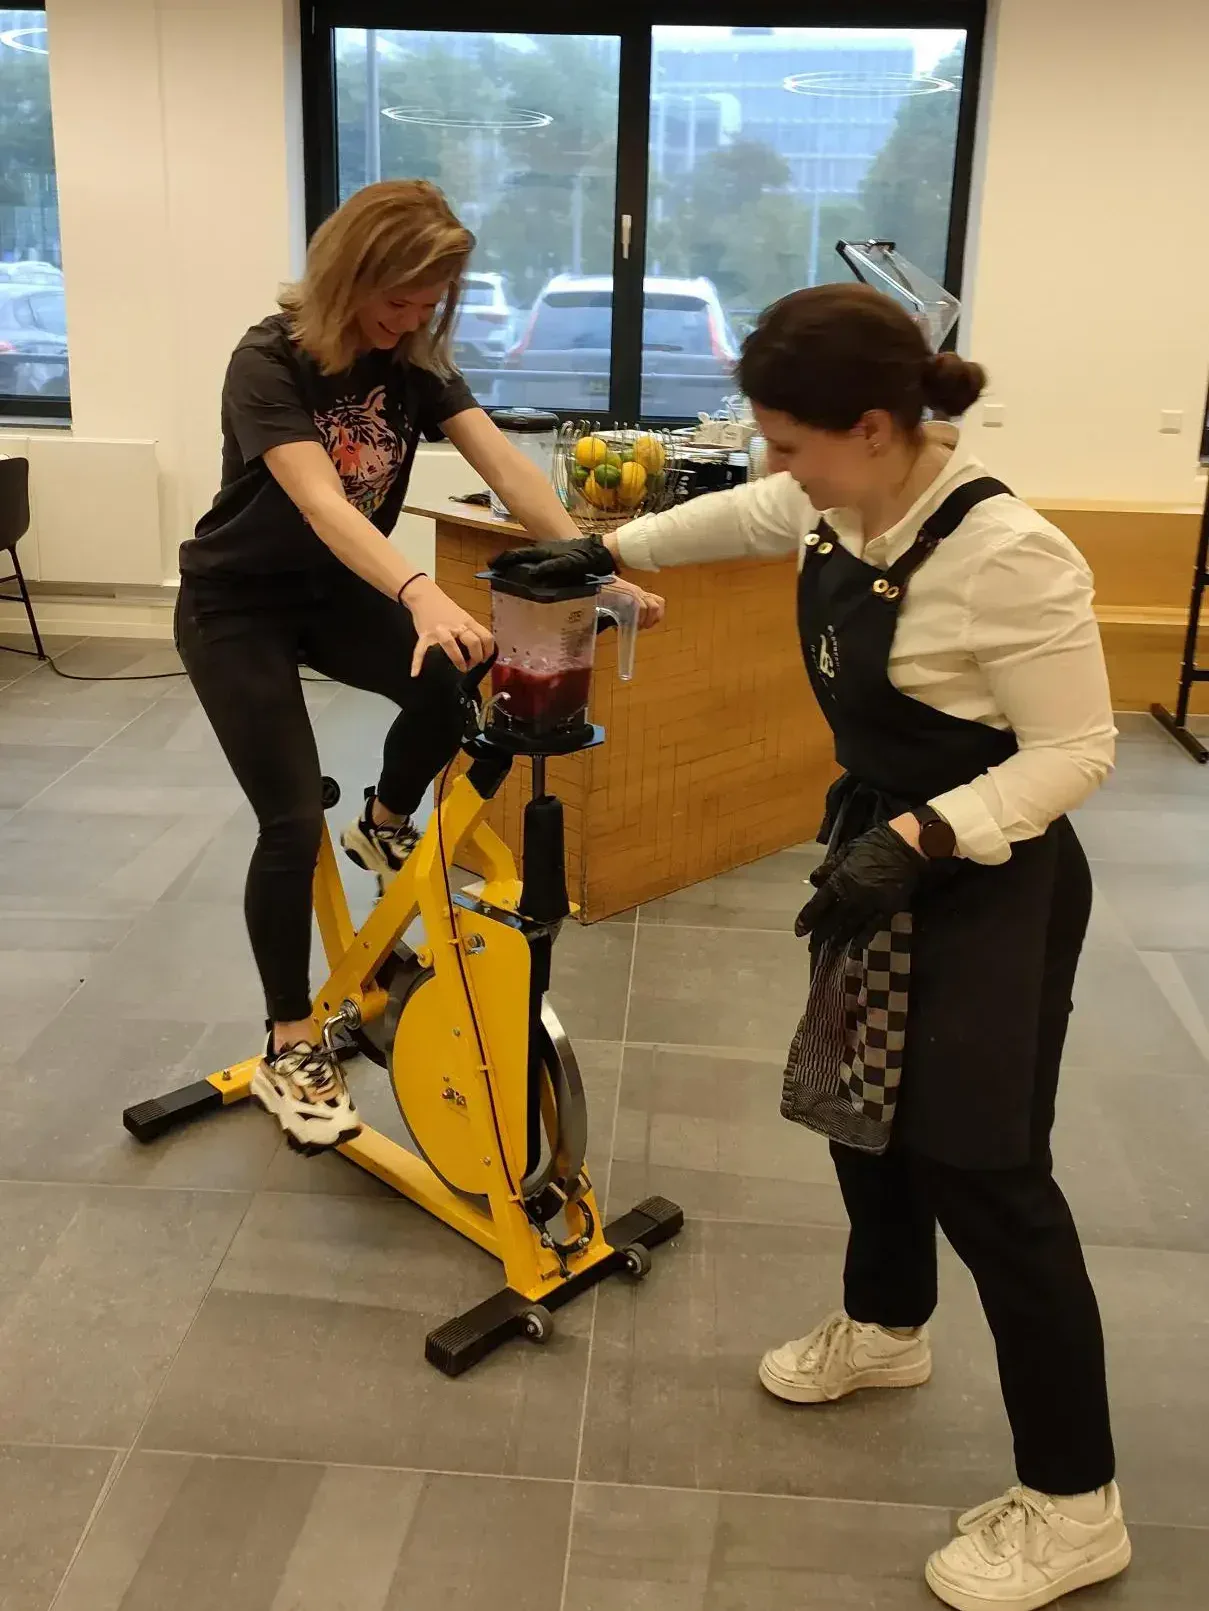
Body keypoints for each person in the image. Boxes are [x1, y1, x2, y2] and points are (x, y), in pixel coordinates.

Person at [496, 283, 1126, 1611]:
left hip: (986, 875)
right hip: (873, 856)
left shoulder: (1009, 554)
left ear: (878, 423)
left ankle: (1076, 1505)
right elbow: (744, 513)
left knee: (987, 1175)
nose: (774, 466)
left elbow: (1078, 749)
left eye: (790, 440)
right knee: (860, 1114)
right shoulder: (835, 495)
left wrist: (926, 835)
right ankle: (888, 1325)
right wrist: (605, 553)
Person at [176, 178, 660, 1155]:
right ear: (349, 273)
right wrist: (417, 592)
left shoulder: (415, 362)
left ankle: (387, 822)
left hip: (334, 594)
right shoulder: (267, 361)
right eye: (396, 299)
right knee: (285, 818)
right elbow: (322, 504)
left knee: (454, 685)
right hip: (237, 605)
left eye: (429, 302)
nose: (409, 320)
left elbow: (511, 468)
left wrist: (593, 570)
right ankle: (288, 1041)